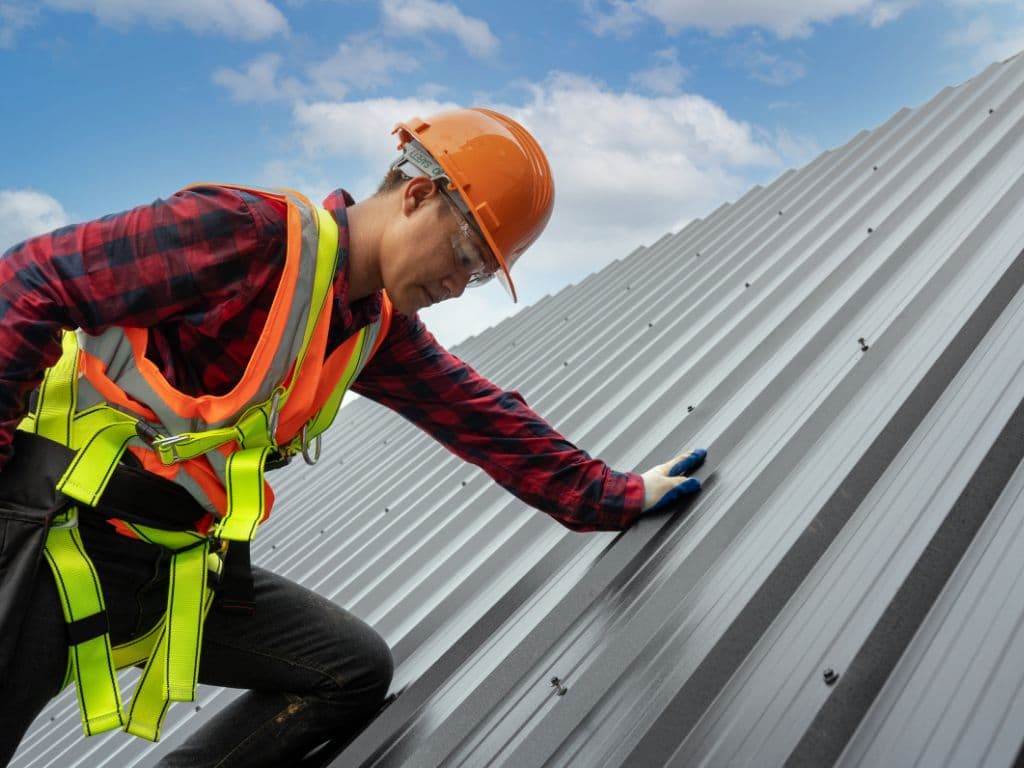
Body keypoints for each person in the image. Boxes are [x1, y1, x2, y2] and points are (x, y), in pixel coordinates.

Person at [0, 107, 705, 767]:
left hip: (157, 561)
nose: (461, 283)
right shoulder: (246, 233)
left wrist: (616, 495)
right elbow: (27, 282)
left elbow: (482, 415)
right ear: (417, 193)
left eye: (482, 273)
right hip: (44, 533)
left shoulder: (373, 328)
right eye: (464, 252)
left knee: (349, 672)